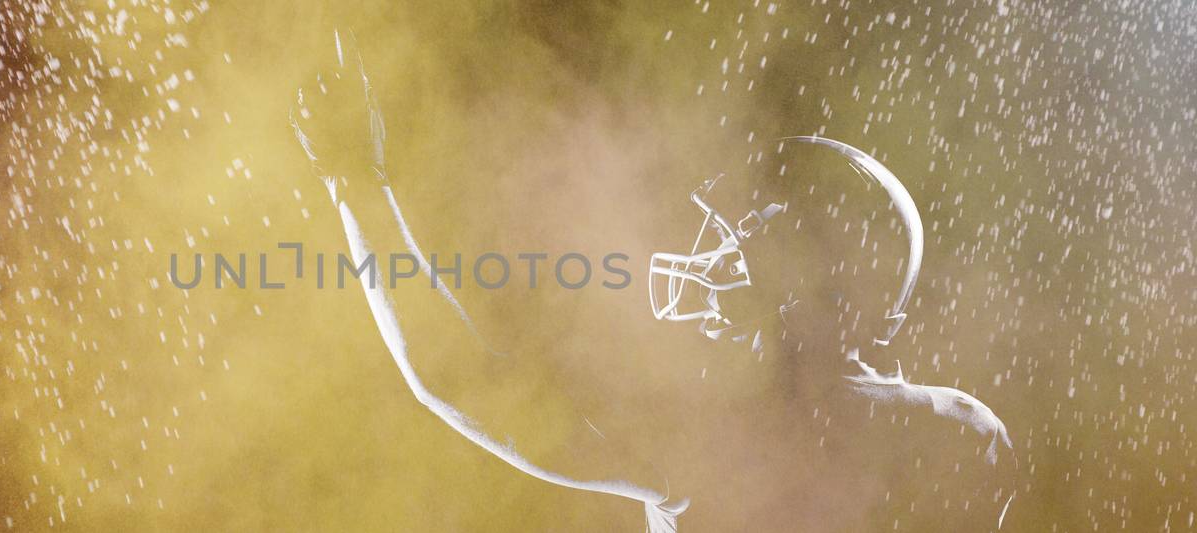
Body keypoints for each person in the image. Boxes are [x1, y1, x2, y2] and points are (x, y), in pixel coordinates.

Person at [291, 31, 1014, 532]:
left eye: (736, 250)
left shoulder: (730, 436)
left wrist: (355, 179)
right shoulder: (932, 423)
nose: (705, 265)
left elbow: (449, 374)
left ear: (807, 294)